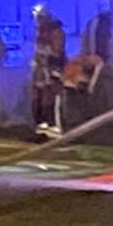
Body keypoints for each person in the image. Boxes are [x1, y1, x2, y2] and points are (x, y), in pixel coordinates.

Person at [27, 8, 68, 137]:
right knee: (38, 101)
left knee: (51, 100)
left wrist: (44, 57)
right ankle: (41, 130)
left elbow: (56, 52)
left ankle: (54, 129)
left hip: (53, 71)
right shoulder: (41, 32)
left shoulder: (56, 32)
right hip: (41, 72)